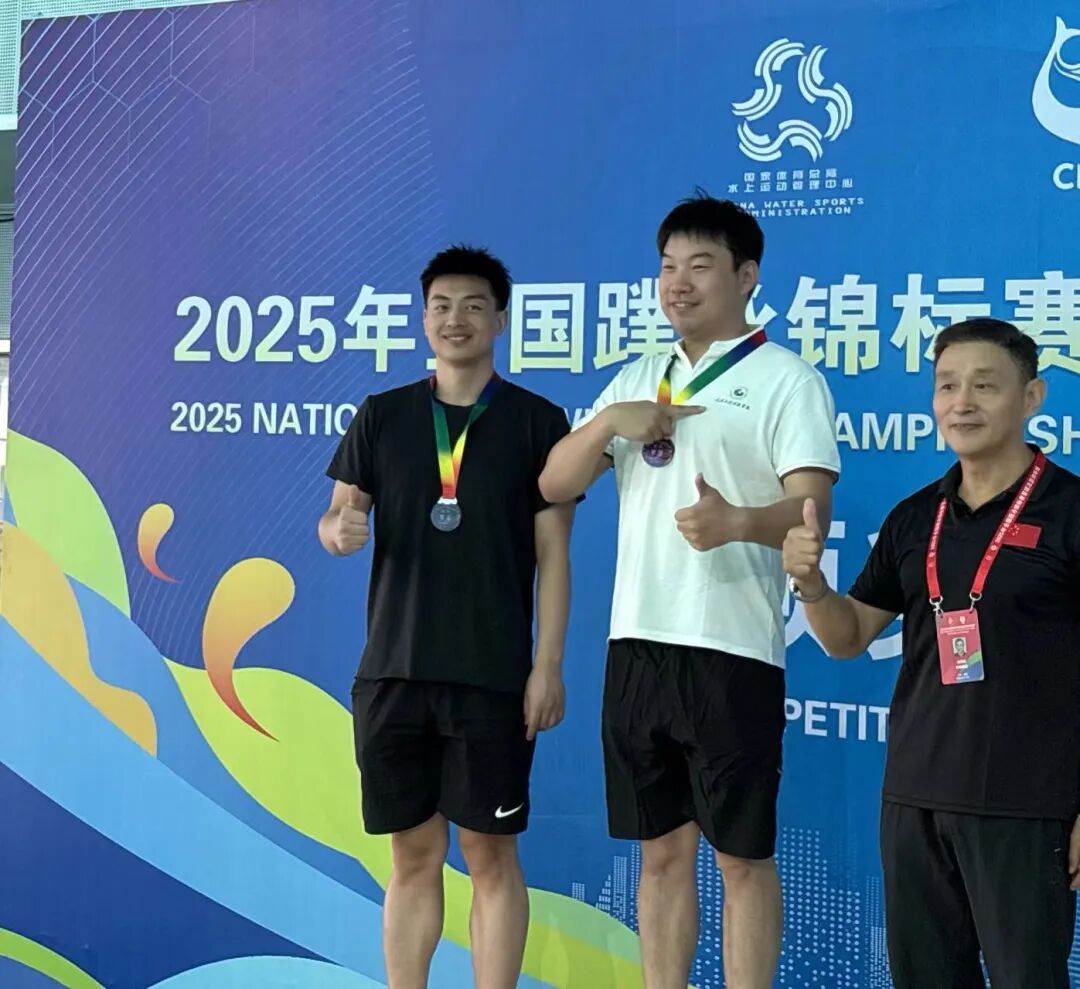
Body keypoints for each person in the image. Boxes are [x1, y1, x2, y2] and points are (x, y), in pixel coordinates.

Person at [540, 193, 840, 989]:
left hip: (731, 648)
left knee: (743, 858)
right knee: (661, 853)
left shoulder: (787, 379)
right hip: (638, 643)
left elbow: (811, 508)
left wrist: (737, 520)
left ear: (747, 276)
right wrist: (610, 422)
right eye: (668, 266)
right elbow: (554, 482)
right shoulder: (641, 377)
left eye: (700, 265)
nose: (677, 282)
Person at [782, 317, 1080, 989]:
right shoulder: (916, 516)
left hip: (1026, 803)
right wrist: (811, 585)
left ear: (1032, 397)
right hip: (915, 795)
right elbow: (847, 636)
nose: (961, 403)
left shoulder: (1068, 510)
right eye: (947, 385)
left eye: (984, 385)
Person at [319, 245, 575, 989]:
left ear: (500, 319)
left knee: (491, 855)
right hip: (394, 671)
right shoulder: (382, 415)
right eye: (440, 306)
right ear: (423, 318)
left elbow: (554, 555)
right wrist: (339, 531)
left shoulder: (537, 421)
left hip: (492, 676)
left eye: (472, 306)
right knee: (412, 855)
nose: (454, 319)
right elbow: (337, 517)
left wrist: (547, 665)